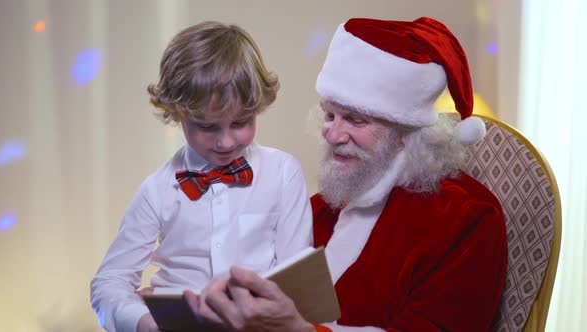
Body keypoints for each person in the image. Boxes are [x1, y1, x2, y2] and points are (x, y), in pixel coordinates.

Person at [189, 17, 508, 332]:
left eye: (355, 120)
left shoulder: (467, 218)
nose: (333, 134)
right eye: (330, 115)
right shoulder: (323, 205)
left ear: (405, 133)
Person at [90, 21, 313, 332]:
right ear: (177, 114)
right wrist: (143, 323)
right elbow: (109, 281)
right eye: (207, 127)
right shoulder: (157, 190)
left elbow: (297, 279)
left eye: (241, 122)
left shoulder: (284, 173)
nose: (225, 142)